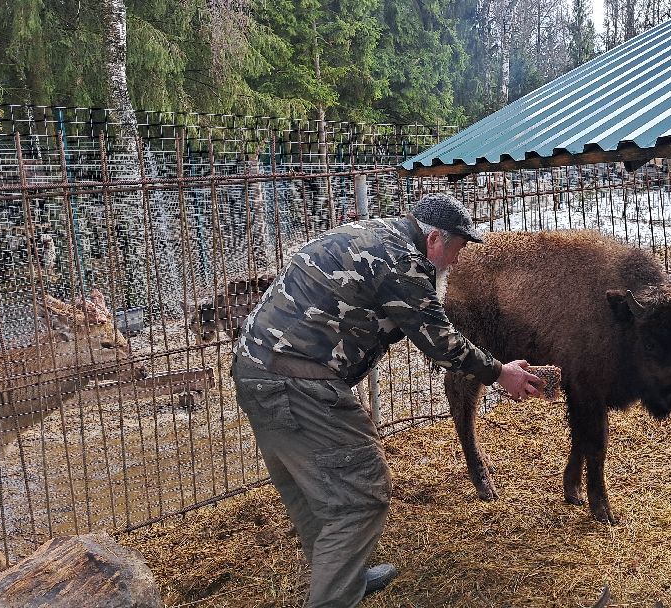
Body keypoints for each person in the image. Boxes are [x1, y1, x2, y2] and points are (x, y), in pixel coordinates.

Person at [232, 192, 544, 607]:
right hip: (297, 383)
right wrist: (501, 373)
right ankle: (333, 598)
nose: (456, 261)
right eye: (457, 248)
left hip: (255, 371)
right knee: (360, 494)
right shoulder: (403, 263)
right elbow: (441, 342)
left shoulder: (377, 233)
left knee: (313, 491)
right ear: (434, 239)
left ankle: (345, 577)